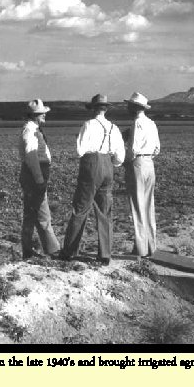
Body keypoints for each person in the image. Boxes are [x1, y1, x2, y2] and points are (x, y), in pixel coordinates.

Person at [59, 94, 125, 266]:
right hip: (108, 165)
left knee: (81, 207)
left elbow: (80, 150)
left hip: (91, 164)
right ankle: (105, 254)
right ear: (106, 109)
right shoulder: (114, 127)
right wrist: (111, 162)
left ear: (94, 108)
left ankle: (69, 251)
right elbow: (120, 157)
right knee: (105, 211)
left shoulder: (88, 125)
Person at [18, 99, 61, 260]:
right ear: (35, 115)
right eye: (42, 113)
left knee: (31, 213)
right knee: (42, 214)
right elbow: (31, 157)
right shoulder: (30, 131)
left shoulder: (34, 129)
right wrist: (39, 179)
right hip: (34, 175)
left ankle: (28, 250)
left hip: (34, 175)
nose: (44, 115)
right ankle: (52, 250)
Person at [122, 92, 161, 257]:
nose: (128, 108)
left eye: (130, 105)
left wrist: (126, 162)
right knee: (148, 205)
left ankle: (140, 248)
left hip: (137, 163)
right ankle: (151, 246)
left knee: (137, 207)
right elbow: (157, 148)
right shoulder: (152, 123)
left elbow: (132, 149)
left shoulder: (136, 123)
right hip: (149, 164)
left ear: (134, 107)